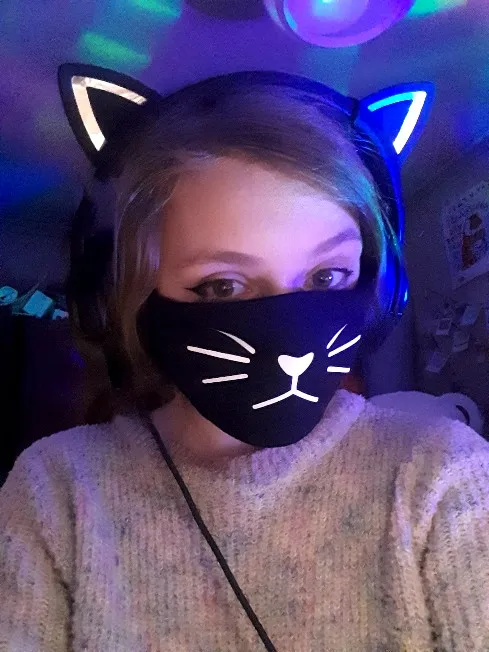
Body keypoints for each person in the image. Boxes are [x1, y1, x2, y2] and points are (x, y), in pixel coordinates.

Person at [1, 74, 489, 652]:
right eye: (222, 286)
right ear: (121, 302)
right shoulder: (55, 490)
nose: (292, 343)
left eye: (326, 276)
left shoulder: (444, 473)